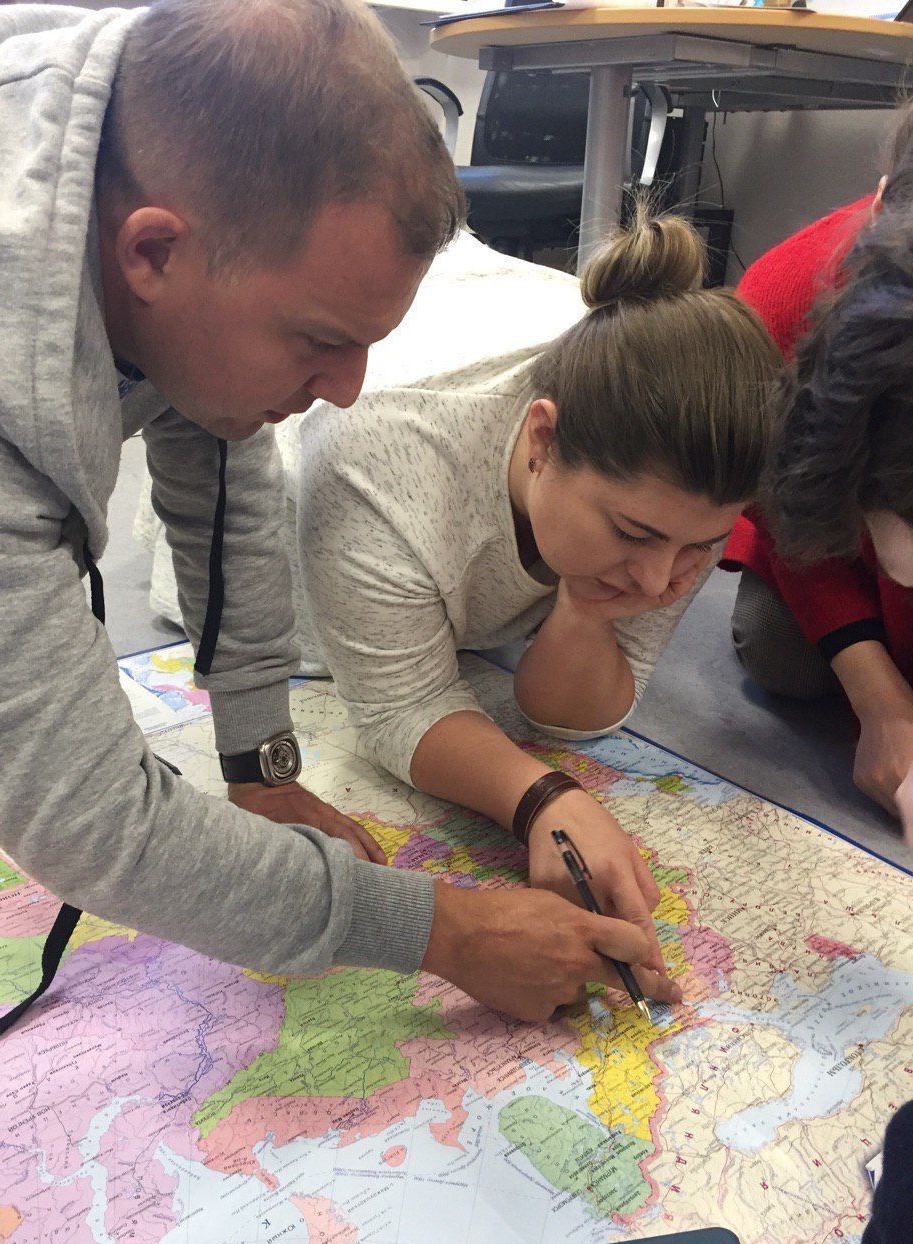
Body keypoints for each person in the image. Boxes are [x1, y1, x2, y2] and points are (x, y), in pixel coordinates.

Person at [0, 0, 676, 1028]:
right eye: (320, 339)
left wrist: (258, 762)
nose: (348, 391)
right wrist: (451, 933)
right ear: (150, 254)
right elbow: (91, 822)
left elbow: (223, 470)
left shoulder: (137, 145)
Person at [142, 207, 781, 965]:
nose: (657, 579)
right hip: (278, 542)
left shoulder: (683, 479)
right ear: (543, 439)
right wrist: (543, 798)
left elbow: (573, 716)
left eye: (698, 548)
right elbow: (398, 708)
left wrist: (584, 611)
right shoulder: (374, 451)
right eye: (633, 535)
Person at [722, 100, 913, 832]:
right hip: (826, 541)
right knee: (781, 655)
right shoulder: (778, 304)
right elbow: (787, 514)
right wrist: (880, 702)